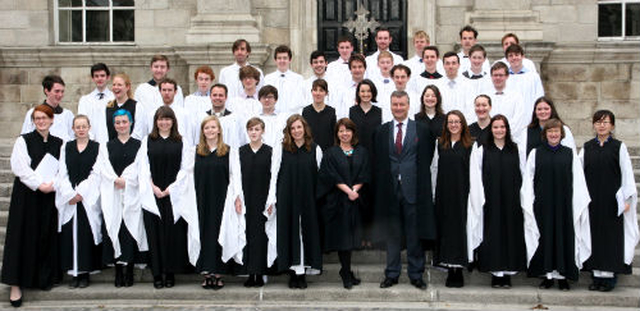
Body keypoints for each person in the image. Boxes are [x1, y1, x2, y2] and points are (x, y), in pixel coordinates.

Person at [2, 104, 64, 307]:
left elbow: (63, 169)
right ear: (33, 121)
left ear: (51, 120)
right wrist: (39, 185)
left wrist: (52, 184)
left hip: (49, 195)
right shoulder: (24, 140)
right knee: (21, 237)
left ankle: (42, 278)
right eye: (37, 118)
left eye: (44, 118)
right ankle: (15, 285)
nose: (41, 121)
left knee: (45, 235)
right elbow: (20, 167)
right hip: (27, 196)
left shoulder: (59, 142)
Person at [374, 91, 435, 290]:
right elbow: (380, 162)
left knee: (413, 233)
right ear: (390, 106)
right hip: (390, 190)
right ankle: (391, 274)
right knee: (392, 233)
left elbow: (426, 158)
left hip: (413, 189)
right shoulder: (382, 131)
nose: (398, 108)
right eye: (395, 104)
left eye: (401, 104)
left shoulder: (422, 130)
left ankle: (416, 274)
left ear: (408, 105)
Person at [521, 118, 591, 291]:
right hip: (543, 205)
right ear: (545, 134)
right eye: (550, 132)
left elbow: (578, 180)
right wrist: (529, 201)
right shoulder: (535, 153)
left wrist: (578, 203)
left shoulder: (569, 154)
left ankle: (563, 276)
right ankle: (547, 276)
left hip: (564, 204)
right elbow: (528, 180)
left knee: (563, 237)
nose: (553, 134)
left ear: (561, 134)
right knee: (545, 238)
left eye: (556, 132)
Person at [138, 106, 200, 289]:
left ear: (173, 121)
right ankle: (157, 273)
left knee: (171, 235)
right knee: (155, 234)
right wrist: (153, 187)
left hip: (174, 195)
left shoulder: (181, 141)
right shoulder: (147, 141)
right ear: (156, 121)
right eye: (160, 119)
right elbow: (143, 166)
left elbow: (186, 168)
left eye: (167, 119)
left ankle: (170, 272)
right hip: (153, 194)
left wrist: (170, 189)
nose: (164, 122)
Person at [579, 110, 639, 292]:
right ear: (594, 125)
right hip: (592, 201)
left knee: (611, 239)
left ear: (612, 125)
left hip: (613, 202)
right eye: (598, 122)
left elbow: (627, 174)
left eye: (605, 122)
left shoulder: (618, 147)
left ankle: (610, 279)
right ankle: (596, 277)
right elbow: (579, 174)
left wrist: (627, 199)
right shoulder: (587, 147)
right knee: (594, 237)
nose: (602, 125)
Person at [468, 115, 527, 288]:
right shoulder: (482, 150)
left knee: (510, 232)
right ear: (491, 130)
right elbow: (476, 177)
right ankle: (495, 272)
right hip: (491, 199)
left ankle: (507, 272)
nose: (499, 130)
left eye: (502, 127)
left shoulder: (517, 150)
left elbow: (524, 174)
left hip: (512, 200)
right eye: (495, 127)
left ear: (507, 129)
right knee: (492, 234)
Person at [266, 114, 323, 289]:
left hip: (308, 198)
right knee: (289, 232)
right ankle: (292, 273)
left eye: (299, 127)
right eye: (293, 128)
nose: (296, 131)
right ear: (289, 131)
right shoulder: (281, 149)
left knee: (306, 233)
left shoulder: (315, 149)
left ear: (305, 128)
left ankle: (303, 273)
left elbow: (320, 175)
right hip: (287, 197)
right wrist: (271, 199)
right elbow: (274, 174)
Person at [317, 118, 370, 289]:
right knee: (343, 239)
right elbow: (330, 175)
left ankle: (346, 271)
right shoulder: (331, 153)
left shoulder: (361, 151)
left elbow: (365, 172)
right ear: (337, 134)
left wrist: (355, 189)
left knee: (353, 238)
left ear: (353, 132)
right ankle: (345, 272)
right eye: (341, 131)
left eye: (347, 130)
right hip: (338, 202)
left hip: (356, 201)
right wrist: (348, 191)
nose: (344, 133)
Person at [98, 109, 148, 288]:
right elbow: (103, 167)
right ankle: (118, 270)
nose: (121, 125)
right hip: (113, 193)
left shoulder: (139, 145)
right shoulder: (106, 146)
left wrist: (128, 180)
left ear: (131, 123)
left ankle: (130, 269)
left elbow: (142, 167)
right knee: (115, 228)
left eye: (124, 122)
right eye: (117, 122)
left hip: (132, 193)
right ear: (114, 125)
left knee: (130, 229)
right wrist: (115, 179)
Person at [194, 115, 243, 290]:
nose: (210, 131)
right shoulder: (196, 151)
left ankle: (218, 273)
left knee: (220, 232)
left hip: (222, 198)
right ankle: (207, 272)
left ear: (219, 130)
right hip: (201, 198)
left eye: (213, 127)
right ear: (203, 131)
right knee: (205, 233)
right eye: (207, 128)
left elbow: (235, 175)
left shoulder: (228, 151)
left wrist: (237, 197)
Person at [55, 115, 102, 289]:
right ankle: (74, 273)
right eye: (77, 127)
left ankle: (85, 273)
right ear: (73, 129)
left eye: (84, 126)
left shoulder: (97, 147)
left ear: (89, 127)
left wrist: (81, 192)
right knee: (70, 235)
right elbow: (62, 171)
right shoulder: (66, 147)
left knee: (85, 234)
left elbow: (96, 172)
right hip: (70, 199)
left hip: (87, 198)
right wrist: (69, 193)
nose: (81, 129)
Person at [432, 110, 475, 288]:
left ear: (463, 124)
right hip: (444, 193)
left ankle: (459, 269)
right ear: (446, 125)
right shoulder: (440, 143)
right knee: (446, 229)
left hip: (463, 193)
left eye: (457, 121)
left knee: (460, 229)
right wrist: (434, 193)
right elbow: (434, 169)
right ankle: (449, 269)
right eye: (450, 122)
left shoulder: (471, 144)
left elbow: (474, 172)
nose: (454, 125)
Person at [239, 117, 273, 287]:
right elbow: (236, 178)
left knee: (261, 236)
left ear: (263, 131)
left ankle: (260, 272)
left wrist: (271, 200)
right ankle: (249, 272)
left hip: (262, 200)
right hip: (245, 200)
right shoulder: (240, 152)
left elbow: (273, 177)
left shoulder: (270, 152)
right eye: (251, 129)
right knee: (246, 235)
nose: (254, 132)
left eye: (257, 129)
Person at [348, 79, 381, 247]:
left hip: (374, 160)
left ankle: (371, 237)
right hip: (357, 159)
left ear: (373, 93)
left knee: (372, 198)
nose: (366, 94)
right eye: (362, 91)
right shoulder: (352, 112)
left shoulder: (379, 112)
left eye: (369, 91)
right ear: (358, 93)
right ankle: (359, 237)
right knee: (358, 199)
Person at [90, 73, 147, 144]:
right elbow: (102, 132)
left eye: (119, 85)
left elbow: (139, 132)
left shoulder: (137, 107)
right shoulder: (106, 107)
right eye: (114, 85)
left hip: (131, 149)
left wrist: (125, 146)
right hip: (110, 149)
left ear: (127, 87)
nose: (116, 87)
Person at [517, 96, 576, 161]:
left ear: (552, 110)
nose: (543, 112)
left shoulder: (564, 130)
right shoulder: (526, 132)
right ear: (535, 112)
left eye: (546, 109)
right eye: (539, 109)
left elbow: (571, 154)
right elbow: (522, 156)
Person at [21, 75, 75, 141]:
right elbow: (25, 138)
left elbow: (73, 138)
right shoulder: (33, 113)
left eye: (62, 91)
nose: (60, 95)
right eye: (57, 91)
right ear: (47, 91)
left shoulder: (68, 115)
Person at [481, 62, 527, 139]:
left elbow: (519, 119)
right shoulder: (484, 96)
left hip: (511, 139)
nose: (498, 78)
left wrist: (505, 134)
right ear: (491, 76)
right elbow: (481, 117)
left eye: (501, 75)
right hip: (488, 139)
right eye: (495, 75)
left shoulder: (516, 96)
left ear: (507, 76)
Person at [196, 83, 243, 148]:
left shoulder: (234, 119)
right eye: (214, 95)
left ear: (226, 97)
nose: (217, 98)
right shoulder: (202, 117)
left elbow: (240, 140)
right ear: (210, 96)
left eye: (221, 95)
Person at [263, 45, 306, 115]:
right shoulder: (268, 79)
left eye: (285, 58)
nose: (282, 61)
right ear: (275, 60)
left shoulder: (298, 79)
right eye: (279, 58)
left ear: (290, 60)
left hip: (292, 117)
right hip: (273, 117)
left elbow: (300, 102)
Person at [505, 44, 544, 115]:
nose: (514, 58)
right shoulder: (503, 78)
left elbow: (539, 97)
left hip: (529, 115)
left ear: (522, 57)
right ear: (507, 59)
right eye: (510, 56)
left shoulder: (533, 77)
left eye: (517, 55)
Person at [437, 52, 475, 122]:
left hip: (463, 125)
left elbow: (471, 109)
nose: (450, 66)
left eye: (453, 63)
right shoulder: (437, 85)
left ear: (459, 65)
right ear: (443, 65)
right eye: (447, 63)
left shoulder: (468, 84)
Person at [157, 78, 196, 146]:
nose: (167, 93)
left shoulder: (185, 113)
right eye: (164, 90)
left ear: (175, 92)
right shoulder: (153, 113)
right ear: (160, 91)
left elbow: (189, 136)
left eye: (170, 90)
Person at [302, 79, 337, 151]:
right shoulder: (306, 111)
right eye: (315, 90)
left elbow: (334, 135)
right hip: (309, 152)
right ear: (311, 92)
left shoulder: (331, 112)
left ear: (326, 93)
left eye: (321, 90)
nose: (318, 93)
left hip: (327, 152)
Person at [337, 54, 367, 119]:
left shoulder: (371, 88)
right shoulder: (342, 89)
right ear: (350, 69)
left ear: (365, 68)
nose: (357, 70)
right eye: (354, 67)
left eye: (360, 67)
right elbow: (339, 111)